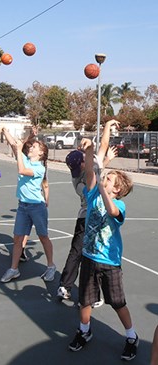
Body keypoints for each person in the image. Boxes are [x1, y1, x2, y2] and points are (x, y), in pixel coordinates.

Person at [68, 137, 137, 361]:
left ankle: (131, 336)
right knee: (85, 300)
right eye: (105, 176)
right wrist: (88, 151)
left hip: (109, 262)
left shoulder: (119, 204)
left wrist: (102, 188)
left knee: (117, 302)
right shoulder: (92, 193)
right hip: (89, 257)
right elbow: (90, 171)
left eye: (109, 178)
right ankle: (84, 331)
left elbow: (112, 212)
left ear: (117, 189)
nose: (104, 177)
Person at [57, 120, 119, 302]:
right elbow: (102, 150)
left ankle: (65, 285)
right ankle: (92, 294)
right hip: (94, 217)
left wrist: (105, 157)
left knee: (76, 253)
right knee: (94, 255)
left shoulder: (79, 175)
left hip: (84, 218)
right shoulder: (84, 178)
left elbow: (101, 156)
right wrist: (106, 127)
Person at [0, 128, 56, 283]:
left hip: (37, 206)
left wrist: (19, 149)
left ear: (41, 153)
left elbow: (22, 170)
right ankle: (14, 269)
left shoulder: (39, 168)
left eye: (35, 147)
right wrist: (5, 131)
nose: (31, 147)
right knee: (17, 238)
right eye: (31, 146)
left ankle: (51, 266)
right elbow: (13, 145)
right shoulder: (25, 159)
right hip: (23, 206)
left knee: (43, 236)